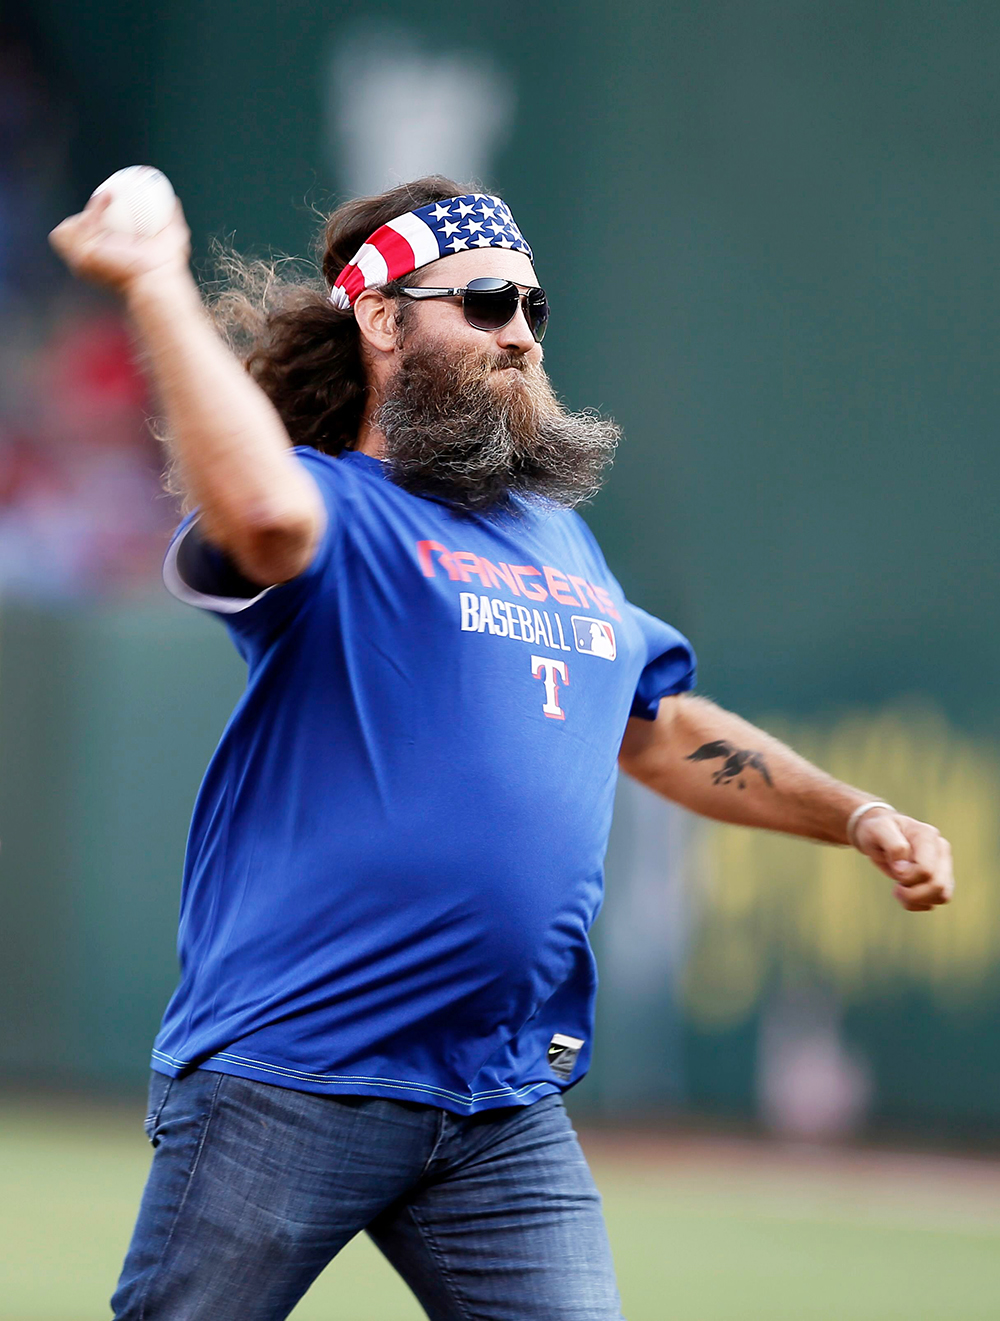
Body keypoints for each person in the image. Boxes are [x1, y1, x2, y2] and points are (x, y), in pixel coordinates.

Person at [50, 175, 953, 1321]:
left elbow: (659, 725)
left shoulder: (556, 538)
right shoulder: (333, 504)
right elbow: (264, 519)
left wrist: (858, 814)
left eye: (532, 305)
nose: (519, 332)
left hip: (495, 1095)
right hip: (294, 1073)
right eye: (481, 300)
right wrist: (154, 280)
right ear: (380, 318)